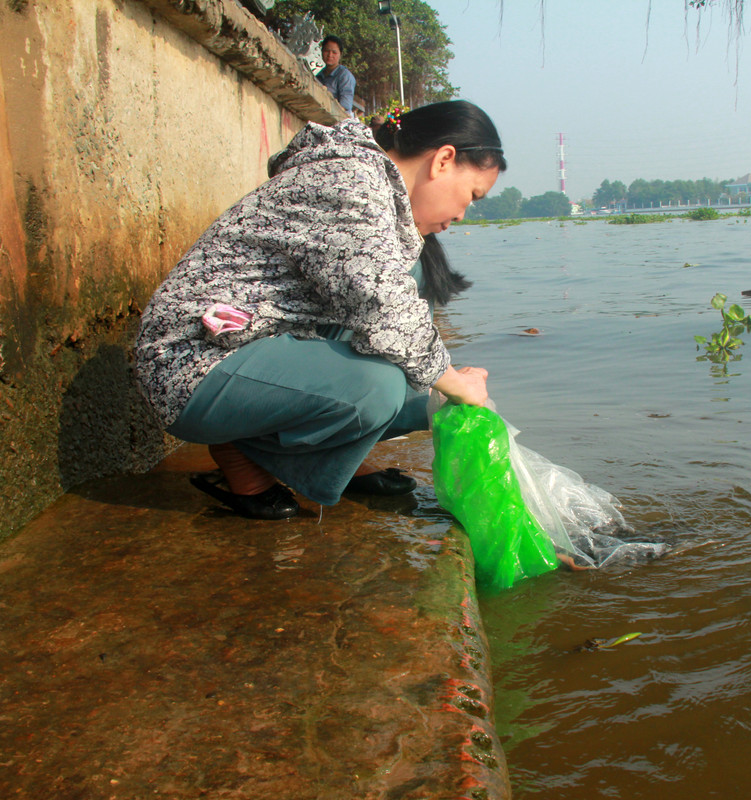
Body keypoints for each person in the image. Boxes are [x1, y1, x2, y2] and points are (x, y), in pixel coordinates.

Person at [134, 101, 505, 520]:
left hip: (260, 345)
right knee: (377, 389)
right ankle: (245, 452)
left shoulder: (378, 192)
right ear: (443, 160)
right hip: (194, 363)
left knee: (424, 401)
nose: (461, 214)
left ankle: (331, 461)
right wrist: (453, 378)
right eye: (471, 196)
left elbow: (379, 310)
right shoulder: (349, 180)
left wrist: (445, 386)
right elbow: (380, 303)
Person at [316, 35, 355, 117]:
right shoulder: (318, 76)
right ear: (322, 51)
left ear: (340, 54)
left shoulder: (345, 76)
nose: (330, 55)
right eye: (327, 51)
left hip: (339, 122)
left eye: (334, 52)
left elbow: (345, 107)